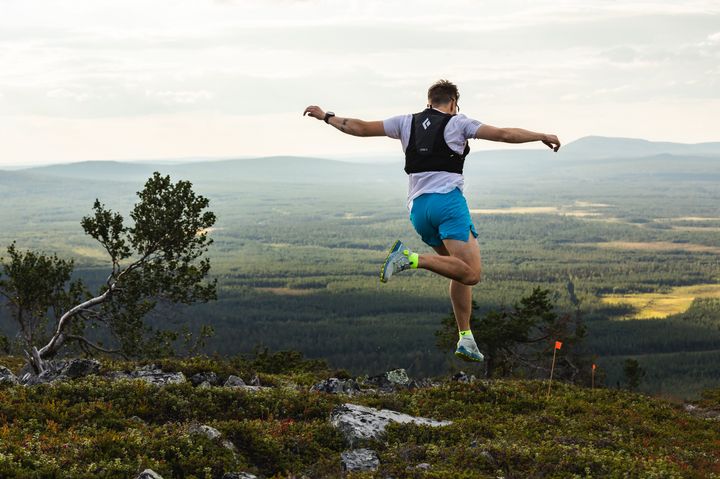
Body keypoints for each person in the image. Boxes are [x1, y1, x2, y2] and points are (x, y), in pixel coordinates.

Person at [303, 79, 560, 363]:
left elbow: (360, 127)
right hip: (447, 204)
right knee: (472, 273)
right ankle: (410, 259)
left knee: (457, 270)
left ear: (429, 102)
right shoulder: (458, 123)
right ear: (453, 103)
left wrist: (326, 116)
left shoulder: (405, 122)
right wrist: (540, 135)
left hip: (418, 211)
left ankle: (466, 337)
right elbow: (504, 134)